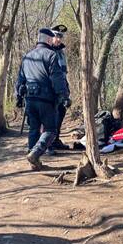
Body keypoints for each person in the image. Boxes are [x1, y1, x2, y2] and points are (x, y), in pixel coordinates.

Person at [16, 28, 70, 170]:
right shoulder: (51, 55)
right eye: (52, 38)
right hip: (46, 100)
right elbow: (57, 78)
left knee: (34, 129)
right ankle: (35, 153)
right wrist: (64, 96)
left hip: (30, 99)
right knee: (51, 130)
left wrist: (19, 97)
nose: (54, 40)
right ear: (47, 39)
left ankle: (33, 161)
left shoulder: (27, 56)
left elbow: (20, 80)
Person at [49, 24, 70, 152]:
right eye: (56, 36)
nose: (58, 39)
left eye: (60, 36)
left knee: (61, 113)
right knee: (51, 116)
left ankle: (55, 139)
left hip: (62, 88)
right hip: (51, 89)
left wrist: (66, 90)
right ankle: (48, 143)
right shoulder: (47, 51)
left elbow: (64, 73)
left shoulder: (61, 53)